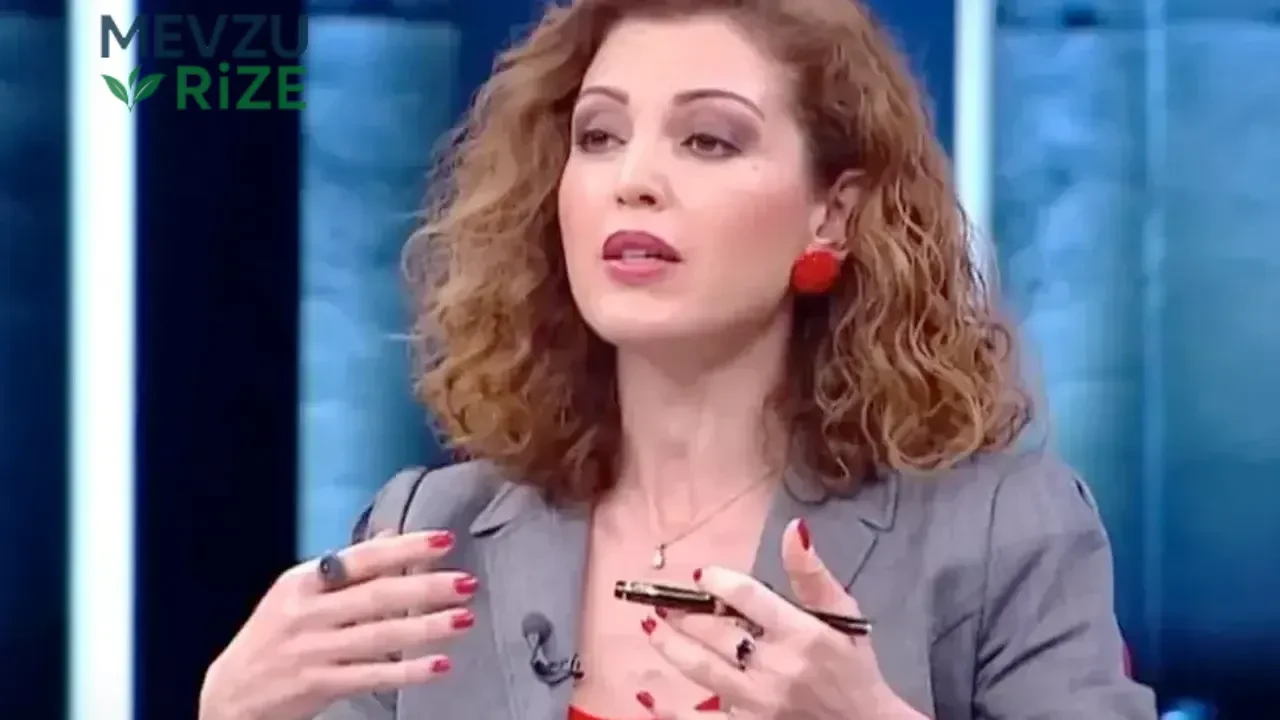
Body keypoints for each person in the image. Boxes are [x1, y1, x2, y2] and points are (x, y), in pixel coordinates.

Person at [198, 0, 1159, 718]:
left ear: (831, 213)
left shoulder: (998, 535)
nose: (635, 181)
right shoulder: (427, 535)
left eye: (708, 140)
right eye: (599, 137)